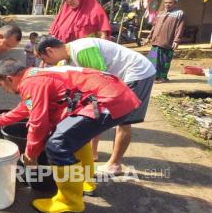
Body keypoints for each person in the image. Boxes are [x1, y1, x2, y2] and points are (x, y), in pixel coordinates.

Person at [0, 59, 140, 213]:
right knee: (75, 139)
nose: (4, 90)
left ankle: (70, 202)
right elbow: (24, 109)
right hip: (116, 95)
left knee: (57, 144)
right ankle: (86, 182)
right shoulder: (36, 75)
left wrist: (31, 155)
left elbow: (38, 122)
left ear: (9, 79)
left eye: (1, 85)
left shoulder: (32, 83)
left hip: (108, 99)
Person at [35, 36, 156, 175]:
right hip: (119, 76)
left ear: (50, 51)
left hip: (137, 73)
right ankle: (92, 153)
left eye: (43, 59)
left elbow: (101, 82)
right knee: (93, 111)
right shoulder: (65, 59)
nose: (44, 63)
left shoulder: (83, 50)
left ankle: (115, 164)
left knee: (122, 119)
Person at [145, 0, 185, 83]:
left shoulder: (179, 14)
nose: (167, 4)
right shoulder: (160, 13)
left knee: (164, 61)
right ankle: (154, 77)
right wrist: (149, 37)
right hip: (155, 42)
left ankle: (163, 78)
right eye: (166, 2)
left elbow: (180, 28)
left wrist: (176, 40)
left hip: (167, 42)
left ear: (175, 3)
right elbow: (154, 27)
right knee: (152, 60)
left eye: (170, 3)